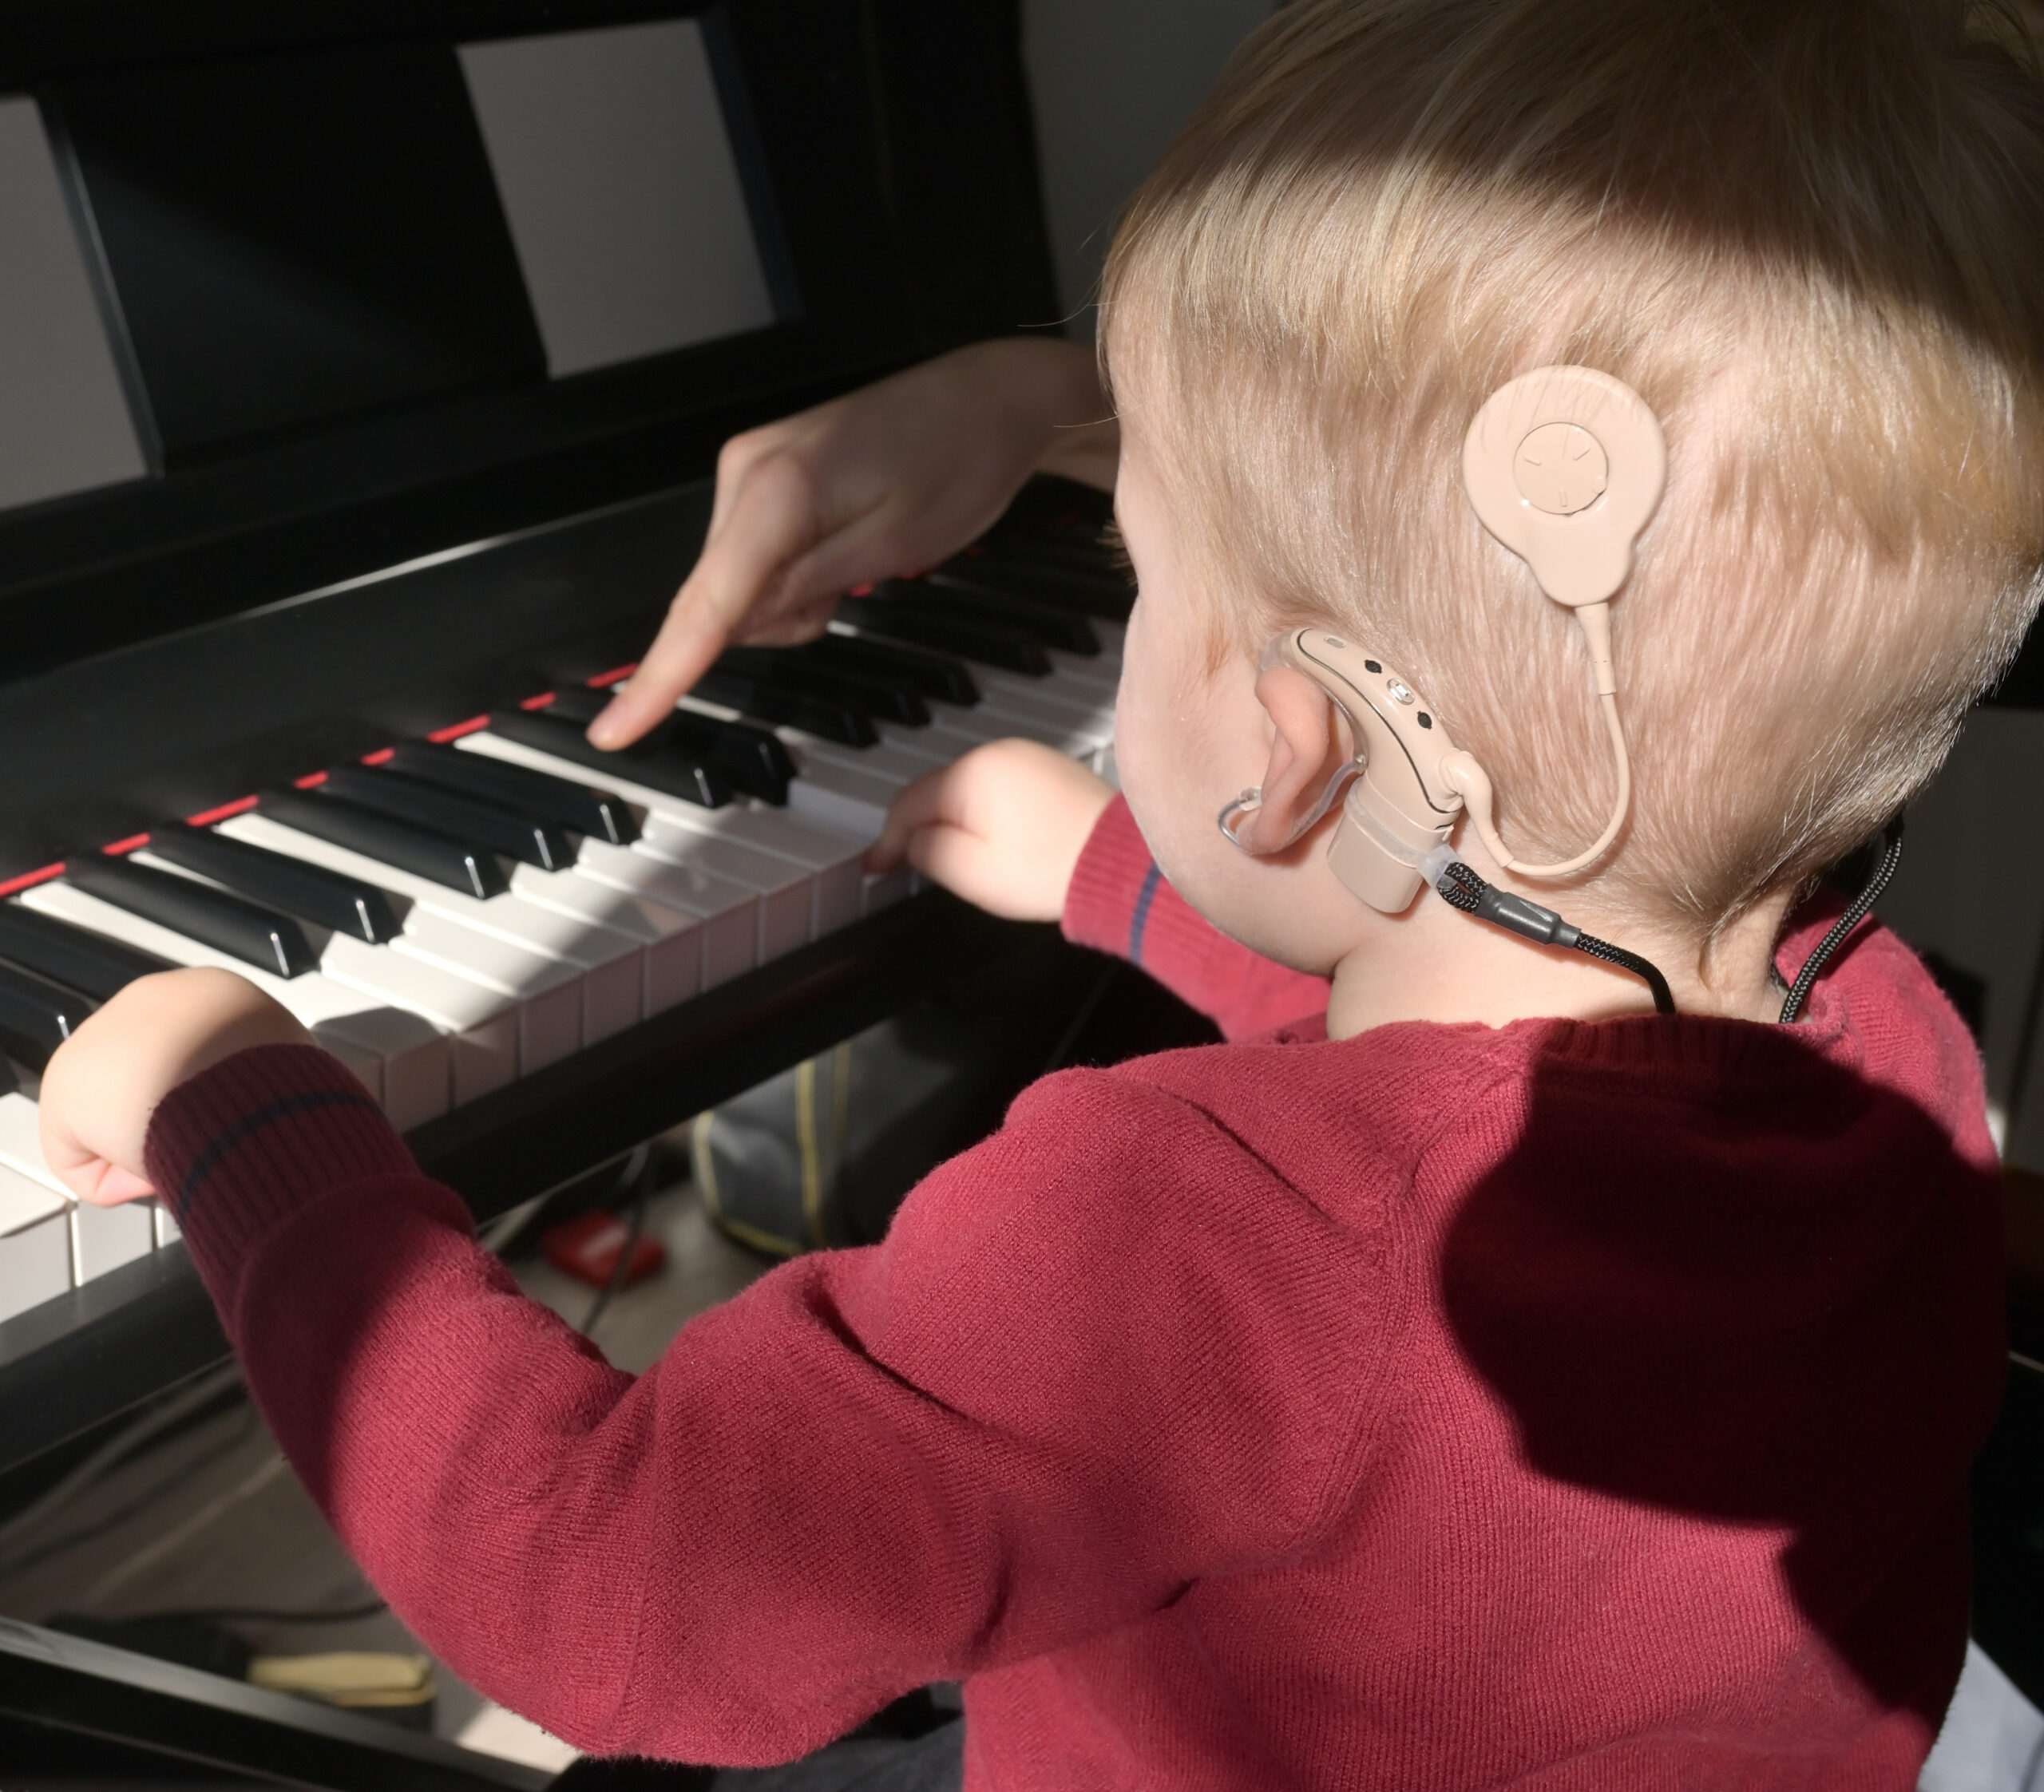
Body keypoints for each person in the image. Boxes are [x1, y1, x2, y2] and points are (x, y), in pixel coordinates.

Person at [34, 0, 2044, 1785]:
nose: (1127, 590)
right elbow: (1474, 1095)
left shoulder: (1168, 1239)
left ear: (1289, 754)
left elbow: (608, 1594)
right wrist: (1114, 876)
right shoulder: (1894, 1054)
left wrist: (249, 1107)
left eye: (1137, 571)